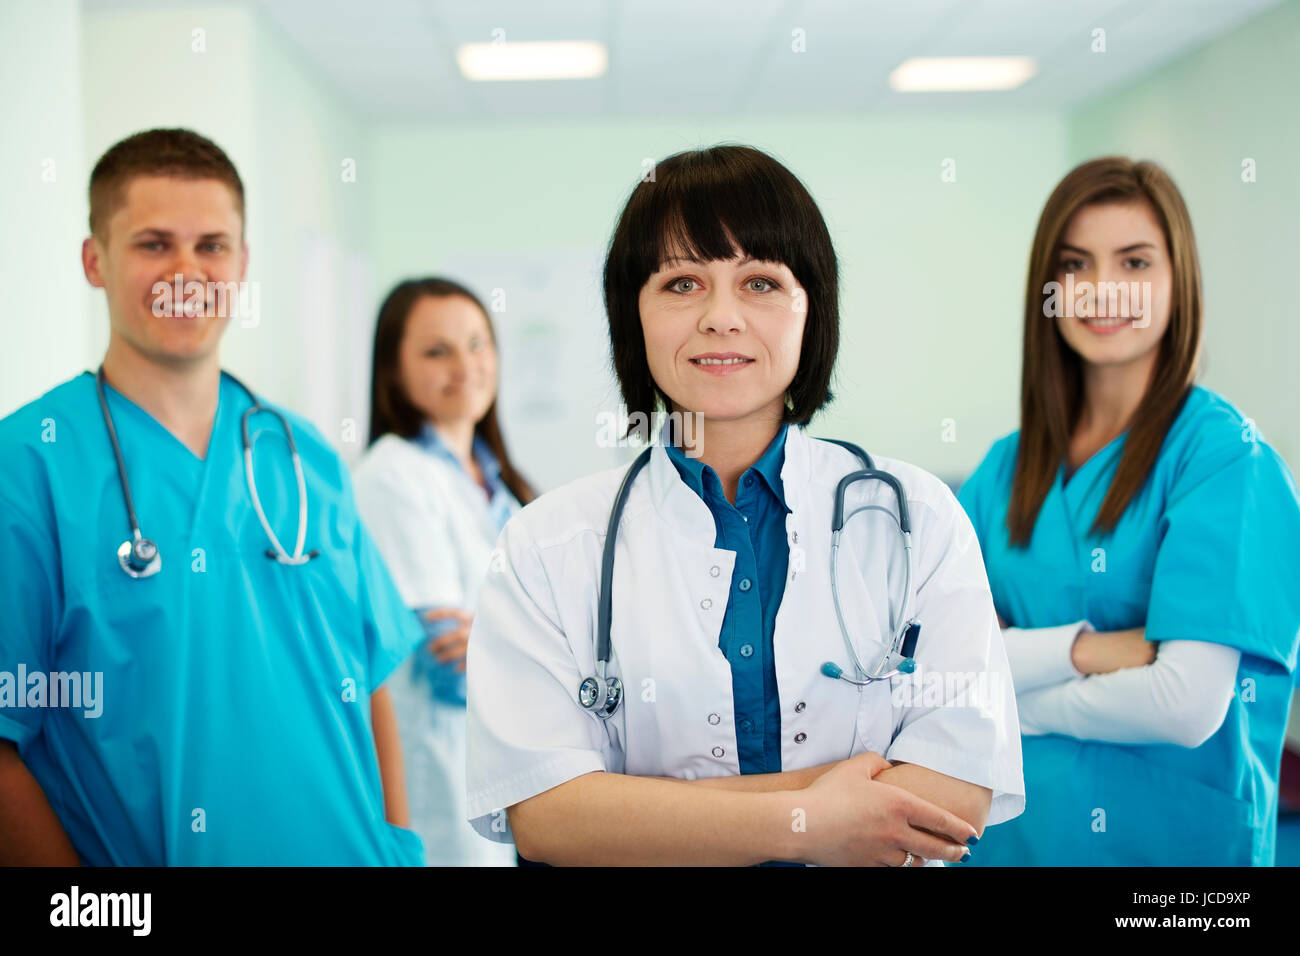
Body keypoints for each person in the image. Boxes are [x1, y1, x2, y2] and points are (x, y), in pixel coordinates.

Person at [464, 144, 1024, 866]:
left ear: (810, 308)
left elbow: (958, 788)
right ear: (631, 315)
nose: (721, 317)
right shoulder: (546, 544)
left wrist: (638, 808)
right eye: (682, 283)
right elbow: (547, 816)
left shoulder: (918, 517)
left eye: (760, 282)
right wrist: (819, 818)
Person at [0, 128, 425, 865]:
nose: (186, 271)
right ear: (94, 260)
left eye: (213, 245)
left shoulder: (303, 457)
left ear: (244, 263)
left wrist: (399, 848)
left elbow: (370, 682)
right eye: (154, 243)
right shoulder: (29, 462)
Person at [957, 157, 1300, 866]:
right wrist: (1089, 652)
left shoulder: (1226, 458)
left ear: (1180, 283)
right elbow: (935, 668)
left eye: (1135, 262)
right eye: (1076, 264)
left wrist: (1013, 696)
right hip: (1008, 846)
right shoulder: (1001, 471)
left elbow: (1182, 704)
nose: (1103, 290)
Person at [353, 278, 534, 866]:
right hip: (440, 771)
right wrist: (545, 647)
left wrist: (509, 642)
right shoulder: (393, 475)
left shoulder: (501, 484)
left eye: (478, 344)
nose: (465, 365)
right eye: (437, 351)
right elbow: (451, 659)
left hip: (501, 775)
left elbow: (508, 640)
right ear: (393, 369)